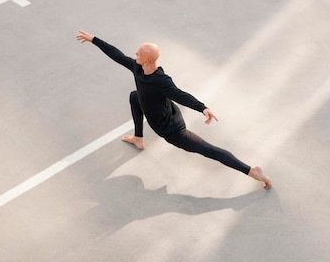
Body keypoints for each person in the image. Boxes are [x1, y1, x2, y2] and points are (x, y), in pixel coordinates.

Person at [76, 31, 272, 189]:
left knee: (208, 150)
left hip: (170, 128)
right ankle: (138, 139)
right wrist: (94, 40)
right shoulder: (137, 68)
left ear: (146, 61)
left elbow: (180, 95)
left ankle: (250, 171)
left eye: (138, 54)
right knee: (135, 96)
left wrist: (202, 108)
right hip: (164, 111)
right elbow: (117, 55)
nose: (134, 55)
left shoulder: (161, 81)